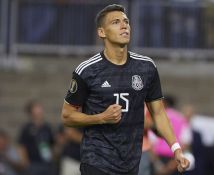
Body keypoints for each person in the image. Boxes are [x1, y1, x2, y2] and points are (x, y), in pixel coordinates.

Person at [61, 4, 190, 175]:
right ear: (102, 32)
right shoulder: (87, 70)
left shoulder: (146, 67)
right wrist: (101, 118)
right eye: (116, 22)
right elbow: (67, 116)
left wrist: (176, 149)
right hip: (96, 162)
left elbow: (159, 114)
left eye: (126, 21)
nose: (124, 26)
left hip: (131, 164)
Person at [151, 96, 192, 175]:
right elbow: (185, 142)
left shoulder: (158, 119)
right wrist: (172, 165)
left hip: (159, 157)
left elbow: (152, 141)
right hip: (175, 159)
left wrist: (158, 164)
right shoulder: (181, 119)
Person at [18, 100, 55, 175]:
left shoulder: (47, 127)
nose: (40, 110)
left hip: (47, 163)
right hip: (33, 164)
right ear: (31, 111)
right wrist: (25, 162)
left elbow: (52, 144)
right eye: (37, 108)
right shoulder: (27, 128)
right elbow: (22, 146)